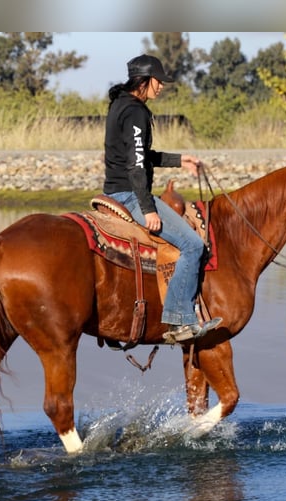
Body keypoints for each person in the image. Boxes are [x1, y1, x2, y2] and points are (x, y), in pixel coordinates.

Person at [102, 54, 222, 343]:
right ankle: (179, 321)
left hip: (115, 190)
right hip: (130, 195)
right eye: (159, 81)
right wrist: (148, 209)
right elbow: (135, 165)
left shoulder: (120, 105)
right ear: (144, 80)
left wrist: (181, 160)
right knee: (193, 245)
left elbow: (142, 156)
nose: (162, 86)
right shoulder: (135, 111)